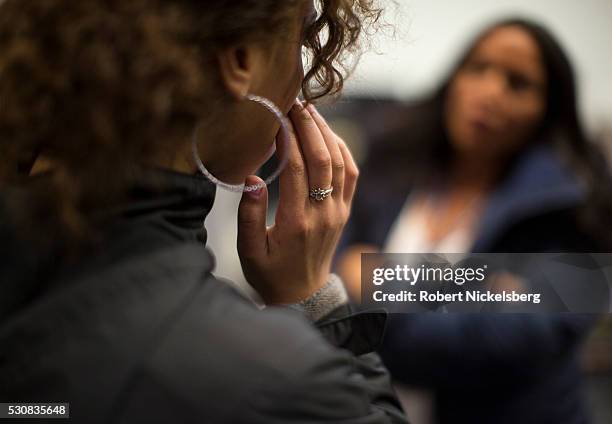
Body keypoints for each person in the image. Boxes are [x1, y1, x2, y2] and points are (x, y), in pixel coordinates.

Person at [0, 1, 408, 423]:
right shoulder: (272, 379)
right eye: (300, 41)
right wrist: (316, 296)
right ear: (240, 59)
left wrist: (387, 278)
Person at [337, 18, 612, 424]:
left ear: (548, 108)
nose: (490, 92)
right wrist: (480, 287)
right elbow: (326, 269)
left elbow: (507, 342)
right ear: (455, 78)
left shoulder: (576, 207)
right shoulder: (392, 167)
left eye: (518, 83)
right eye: (477, 68)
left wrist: (378, 283)